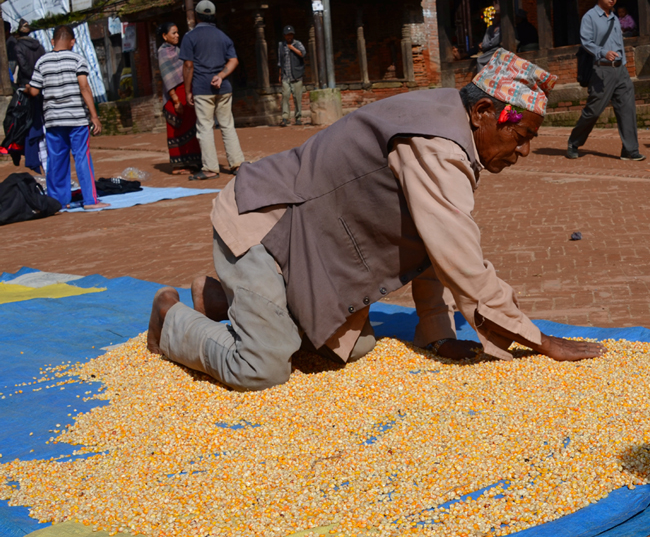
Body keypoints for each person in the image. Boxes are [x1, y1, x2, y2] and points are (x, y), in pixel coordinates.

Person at [146, 48, 607, 391]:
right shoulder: (439, 145)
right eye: (520, 135)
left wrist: (437, 333)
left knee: (350, 347)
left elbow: (430, 239)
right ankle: (172, 320)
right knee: (261, 367)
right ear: (484, 112)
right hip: (266, 225)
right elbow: (459, 258)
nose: (524, 151)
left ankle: (221, 297)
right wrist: (538, 339)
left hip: (310, 244)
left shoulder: (455, 127)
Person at [24, 25, 109, 210]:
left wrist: (26, 88)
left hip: (54, 120)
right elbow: (84, 87)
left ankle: (57, 202)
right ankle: (90, 200)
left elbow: (35, 90)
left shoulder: (42, 62)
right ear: (73, 42)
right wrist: (94, 116)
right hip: (77, 118)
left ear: (53, 41)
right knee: (82, 158)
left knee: (56, 160)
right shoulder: (78, 60)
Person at [566, 0, 644, 162]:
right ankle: (574, 142)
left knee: (627, 109)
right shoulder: (590, 17)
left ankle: (630, 149)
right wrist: (602, 53)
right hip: (601, 71)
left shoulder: (615, 18)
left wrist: (623, 64)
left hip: (621, 71)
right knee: (593, 111)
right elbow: (586, 42)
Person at [179, 0, 245, 180]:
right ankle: (238, 164)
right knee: (227, 125)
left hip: (202, 88)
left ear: (197, 16)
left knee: (205, 128)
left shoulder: (190, 37)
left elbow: (188, 65)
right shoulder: (224, 37)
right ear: (213, 16)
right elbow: (233, 61)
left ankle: (210, 168)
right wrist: (221, 76)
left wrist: (187, 91)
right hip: (223, 88)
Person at [157, 22, 201, 174]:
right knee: (176, 130)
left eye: (177, 33)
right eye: (173, 33)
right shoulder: (162, 52)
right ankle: (178, 165)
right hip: (174, 96)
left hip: (186, 93)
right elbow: (167, 78)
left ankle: (192, 162)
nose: (177, 35)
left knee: (190, 127)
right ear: (164, 36)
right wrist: (176, 100)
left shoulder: (178, 50)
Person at [277, 25, 307, 127]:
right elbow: (280, 61)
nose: (289, 37)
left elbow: (303, 54)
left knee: (297, 98)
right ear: (284, 36)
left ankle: (298, 118)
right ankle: (285, 118)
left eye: (291, 35)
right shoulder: (281, 45)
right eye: (287, 35)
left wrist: (292, 48)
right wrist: (280, 74)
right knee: (285, 96)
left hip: (297, 75)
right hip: (286, 76)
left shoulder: (297, 44)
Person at [13, 20, 46, 88]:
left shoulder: (18, 47)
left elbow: (24, 66)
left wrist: (33, 77)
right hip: (40, 80)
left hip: (26, 83)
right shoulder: (39, 45)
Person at [477, 5, 501, 70]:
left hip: (496, 49)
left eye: (496, 16)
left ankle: (482, 79)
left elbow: (493, 42)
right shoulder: (491, 28)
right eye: (494, 16)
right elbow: (487, 39)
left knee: (480, 60)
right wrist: (482, 45)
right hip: (488, 48)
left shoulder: (501, 28)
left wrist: (484, 46)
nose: (494, 18)